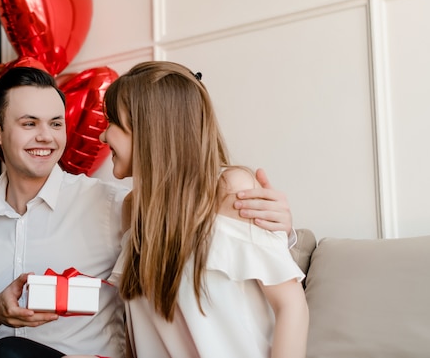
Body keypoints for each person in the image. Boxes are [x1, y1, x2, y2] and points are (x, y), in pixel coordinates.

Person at [0, 66, 296, 358]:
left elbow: (200, 220)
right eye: (29, 124)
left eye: (56, 123)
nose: (48, 137)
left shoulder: (113, 205)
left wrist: (279, 229)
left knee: (11, 357)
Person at [99, 61, 309, 358]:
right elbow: (140, 330)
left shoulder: (229, 187)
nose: (103, 137)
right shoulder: (132, 208)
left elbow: (291, 305)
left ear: (150, 130)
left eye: (112, 123)